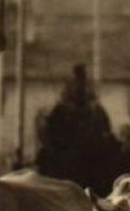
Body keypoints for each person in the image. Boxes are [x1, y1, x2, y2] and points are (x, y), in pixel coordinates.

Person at [37, 64, 121, 193]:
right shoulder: (60, 111)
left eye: (82, 82)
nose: (80, 87)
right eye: (77, 82)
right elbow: (51, 138)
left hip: (93, 164)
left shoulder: (97, 111)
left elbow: (105, 132)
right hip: (67, 165)